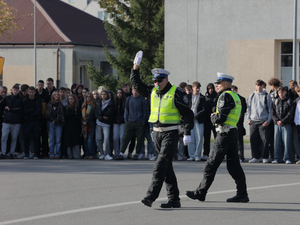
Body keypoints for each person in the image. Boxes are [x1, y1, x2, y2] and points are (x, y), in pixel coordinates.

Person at [131, 51, 194, 208]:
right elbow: (136, 83)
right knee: (166, 167)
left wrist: (187, 132)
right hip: (156, 133)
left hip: (171, 133)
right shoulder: (152, 91)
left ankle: (151, 196)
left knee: (159, 165)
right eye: (155, 81)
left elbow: (188, 114)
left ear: (166, 79)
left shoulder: (176, 93)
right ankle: (174, 199)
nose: (157, 83)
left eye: (160, 81)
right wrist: (135, 66)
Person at [186, 72, 249, 203]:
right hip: (232, 132)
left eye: (219, 83)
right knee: (234, 166)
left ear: (226, 84)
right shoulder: (235, 96)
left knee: (211, 164)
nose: (217, 85)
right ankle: (242, 194)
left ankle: (201, 192)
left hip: (224, 134)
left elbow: (221, 117)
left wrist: (212, 116)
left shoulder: (224, 96)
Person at [116, 87, 148, 160]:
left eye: (136, 90)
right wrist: (126, 120)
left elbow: (145, 112)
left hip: (139, 123)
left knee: (139, 139)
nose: (134, 92)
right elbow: (126, 110)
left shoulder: (142, 99)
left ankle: (137, 153)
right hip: (130, 122)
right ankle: (121, 153)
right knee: (125, 138)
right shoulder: (129, 99)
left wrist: (143, 121)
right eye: (133, 90)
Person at [247, 80, 272, 163]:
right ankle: (255, 157)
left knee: (264, 140)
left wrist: (268, 120)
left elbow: (270, 109)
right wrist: (248, 119)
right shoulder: (252, 96)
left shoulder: (266, 96)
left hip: (263, 121)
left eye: (260, 85)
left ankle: (264, 157)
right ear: (255, 86)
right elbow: (248, 108)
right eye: (257, 85)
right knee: (253, 139)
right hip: (253, 121)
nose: (258, 87)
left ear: (263, 86)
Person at [271, 86, 294, 164]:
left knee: (287, 142)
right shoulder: (275, 101)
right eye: (279, 92)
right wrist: (277, 121)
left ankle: (288, 158)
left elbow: (290, 114)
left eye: (282, 92)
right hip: (277, 125)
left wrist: (283, 121)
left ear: (285, 92)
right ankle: (277, 158)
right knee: (277, 142)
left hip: (286, 124)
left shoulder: (290, 101)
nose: (281, 94)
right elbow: (272, 113)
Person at [0, 84, 24, 159]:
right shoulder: (7, 98)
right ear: (12, 90)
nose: (15, 91)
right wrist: (2, 114)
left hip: (16, 122)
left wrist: (11, 109)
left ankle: (11, 152)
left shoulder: (20, 99)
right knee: (4, 137)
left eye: (17, 90)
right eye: (14, 90)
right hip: (6, 121)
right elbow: (1, 106)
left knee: (14, 138)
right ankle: (3, 152)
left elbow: (20, 109)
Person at [187, 81, 206, 162]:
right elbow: (186, 108)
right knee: (190, 138)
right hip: (190, 120)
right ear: (192, 88)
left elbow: (204, 109)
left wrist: (196, 116)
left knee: (199, 138)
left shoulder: (202, 98)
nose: (197, 89)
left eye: (198, 88)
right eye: (196, 88)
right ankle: (191, 155)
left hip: (199, 120)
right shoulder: (188, 97)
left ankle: (197, 155)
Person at [22, 86, 42, 159]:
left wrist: (30, 112)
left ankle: (36, 154)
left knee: (36, 138)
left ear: (35, 92)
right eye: (30, 92)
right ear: (28, 92)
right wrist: (33, 111)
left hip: (36, 122)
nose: (31, 93)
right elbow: (24, 111)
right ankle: (26, 154)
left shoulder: (38, 100)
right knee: (26, 138)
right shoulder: (25, 100)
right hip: (27, 122)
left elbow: (39, 111)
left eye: (32, 92)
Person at [95, 90, 114, 160]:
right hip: (99, 123)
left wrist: (102, 116)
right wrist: (102, 117)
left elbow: (109, 114)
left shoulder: (111, 103)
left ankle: (107, 154)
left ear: (107, 95)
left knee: (106, 139)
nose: (103, 96)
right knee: (99, 139)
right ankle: (101, 153)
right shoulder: (99, 103)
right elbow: (96, 113)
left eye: (105, 94)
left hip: (106, 124)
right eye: (102, 94)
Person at [46, 90, 65, 159]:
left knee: (58, 140)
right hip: (51, 123)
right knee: (51, 140)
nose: (56, 96)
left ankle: (57, 153)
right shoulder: (49, 104)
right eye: (55, 95)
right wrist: (52, 120)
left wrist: (56, 121)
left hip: (59, 123)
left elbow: (62, 115)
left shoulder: (61, 104)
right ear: (53, 96)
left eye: (57, 95)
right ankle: (51, 153)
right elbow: (47, 114)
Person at [63, 94, 82, 159]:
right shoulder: (65, 107)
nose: (71, 100)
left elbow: (78, 116)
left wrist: (72, 115)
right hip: (67, 126)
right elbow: (66, 116)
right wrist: (73, 115)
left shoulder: (78, 107)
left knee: (75, 140)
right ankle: (69, 155)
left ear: (74, 100)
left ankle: (76, 155)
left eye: (72, 99)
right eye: (69, 99)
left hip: (76, 126)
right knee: (68, 140)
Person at [231, 85, 247, 162]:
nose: (233, 91)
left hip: (239, 123)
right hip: (231, 123)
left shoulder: (242, 99)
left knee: (239, 141)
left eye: (234, 90)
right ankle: (233, 156)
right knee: (231, 141)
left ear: (237, 90)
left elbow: (243, 111)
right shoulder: (229, 99)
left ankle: (241, 156)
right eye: (232, 90)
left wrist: (238, 120)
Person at [203, 83, 218, 161]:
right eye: (209, 89)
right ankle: (206, 154)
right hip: (207, 121)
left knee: (217, 138)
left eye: (212, 88)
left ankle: (217, 153)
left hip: (215, 121)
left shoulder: (217, 97)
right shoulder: (205, 97)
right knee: (206, 138)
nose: (210, 90)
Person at [35, 80, 50, 158]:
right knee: (37, 136)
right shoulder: (34, 94)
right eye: (39, 84)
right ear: (37, 85)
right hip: (36, 118)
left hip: (44, 118)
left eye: (42, 85)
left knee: (45, 136)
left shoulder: (46, 94)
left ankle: (45, 152)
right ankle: (36, 152)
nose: (40, 86)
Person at [82, 92, 96, 159]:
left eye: (90, 96)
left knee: (90, 140)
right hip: (84, 125)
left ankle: (92, 154)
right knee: (85, 140)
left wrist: (87, 121)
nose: (88, 97)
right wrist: (83, 121)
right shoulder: (83, 105)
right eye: (87, 96)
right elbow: (80, 115)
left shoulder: (93, 105)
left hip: (90, 124)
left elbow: (92, 115)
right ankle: (87, 154)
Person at [112, 88, 126, 158]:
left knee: (122, 138)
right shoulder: (114, 102)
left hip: (122, 122)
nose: (119, 94)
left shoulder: (125, 101)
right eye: (118, 93)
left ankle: (121, 153)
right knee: (115, 138)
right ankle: (116, 153)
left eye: (120, 93)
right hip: (115, 122)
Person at [293, 86, 300, 164]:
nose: (299, 93)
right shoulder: (296, 101)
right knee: (297, 141)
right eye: (298, 92)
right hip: (297, 123)